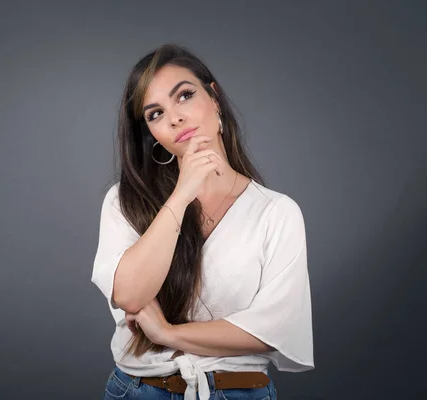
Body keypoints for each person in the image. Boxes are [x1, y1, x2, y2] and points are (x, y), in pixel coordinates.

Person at [91, 43, 314, 400]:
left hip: (241, 393)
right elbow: (131, 296)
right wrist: (181, 196)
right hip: (141, 391)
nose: (174, 118)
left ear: (215, 98)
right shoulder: (126, 200)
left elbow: (274, 329)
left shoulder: (276, 212)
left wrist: (169, 334)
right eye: (155, 114)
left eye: (184, 96)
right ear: (152, 134)